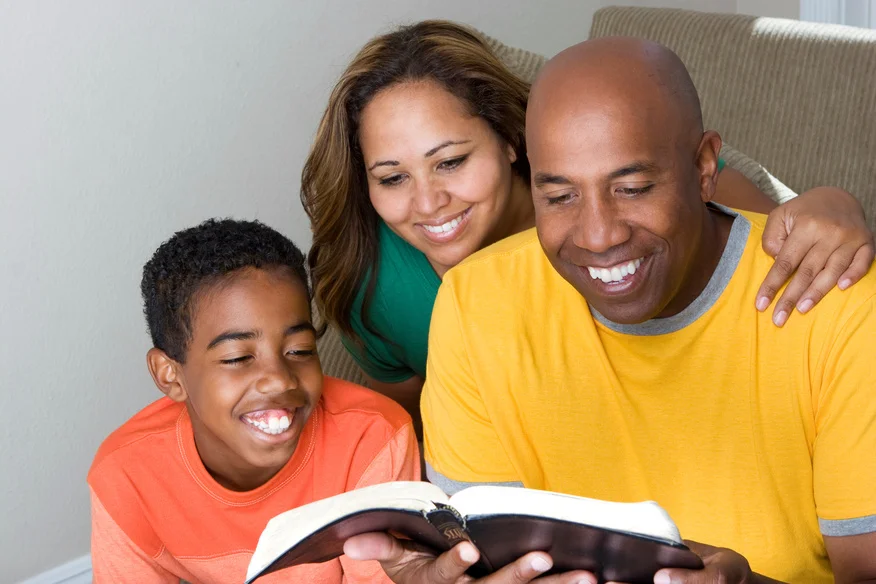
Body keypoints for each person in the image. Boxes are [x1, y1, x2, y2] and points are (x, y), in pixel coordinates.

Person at [345, 38, 876, 583]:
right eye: (561, 196)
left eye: (633, 188)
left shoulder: (834, 298)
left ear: (703, 166)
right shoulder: (469, 303)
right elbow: (488, 558)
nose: (598, 236)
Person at [301, 20, 874, 436]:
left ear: (509, 139)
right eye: (392, 177)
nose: (428, 202)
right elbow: (415, 434)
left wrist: (833, 205)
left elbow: (774, 239)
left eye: (450, 162)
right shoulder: (368, 283)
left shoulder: (644, 184)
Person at [87, 219, 418, 583]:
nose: (278, 378)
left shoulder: (371, 437)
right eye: (237, 358)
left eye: (299, 350)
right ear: (170, 374)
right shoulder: (126, 475)